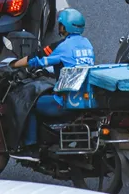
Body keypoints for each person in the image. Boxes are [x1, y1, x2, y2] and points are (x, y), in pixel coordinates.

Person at [11, 8, 95, 149]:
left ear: (65, 26)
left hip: (67, 102)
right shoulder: (87, 44)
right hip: (86, 100)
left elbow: (36, 59)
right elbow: (72, 64)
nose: (59, 27)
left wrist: (13, 64)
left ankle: (30, 146)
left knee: (30, 104)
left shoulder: (61, 46)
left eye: (60, 24)